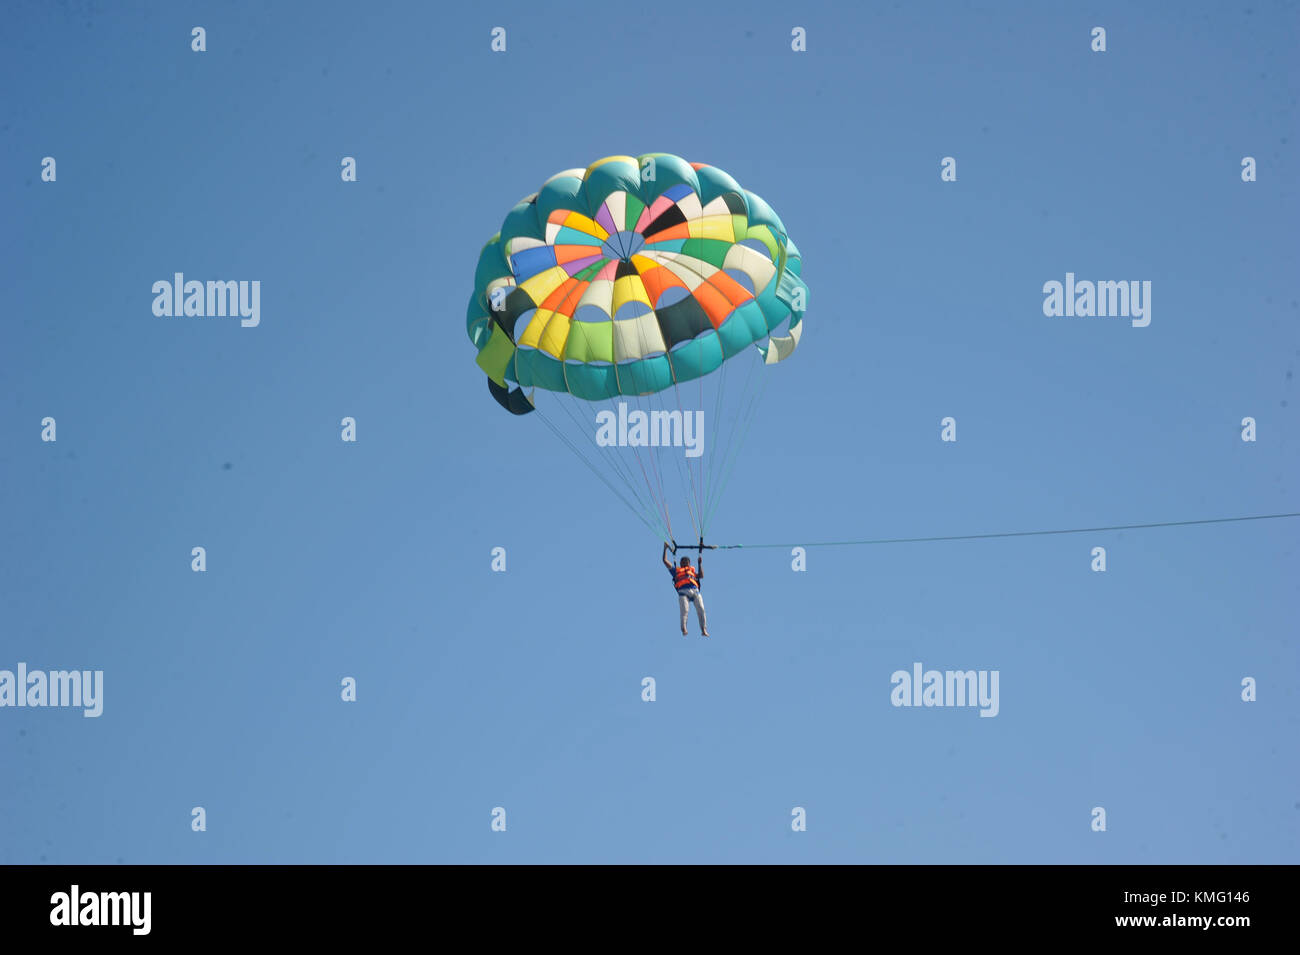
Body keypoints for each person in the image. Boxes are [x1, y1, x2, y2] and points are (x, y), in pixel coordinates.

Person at [663, 543, 708, 637]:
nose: (684, 563)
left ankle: (703, 629)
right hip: (683, 593)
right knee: (684, 611)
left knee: (701, 609)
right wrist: (665, 549)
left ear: (689, 563)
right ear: (680, 563)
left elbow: (702, 575)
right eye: (682, 562)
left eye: (686, 562)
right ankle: (684, 629)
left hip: (695, 591)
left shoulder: (692, 572)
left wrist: (700, 564)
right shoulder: (676, 571)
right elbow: (665, 561)